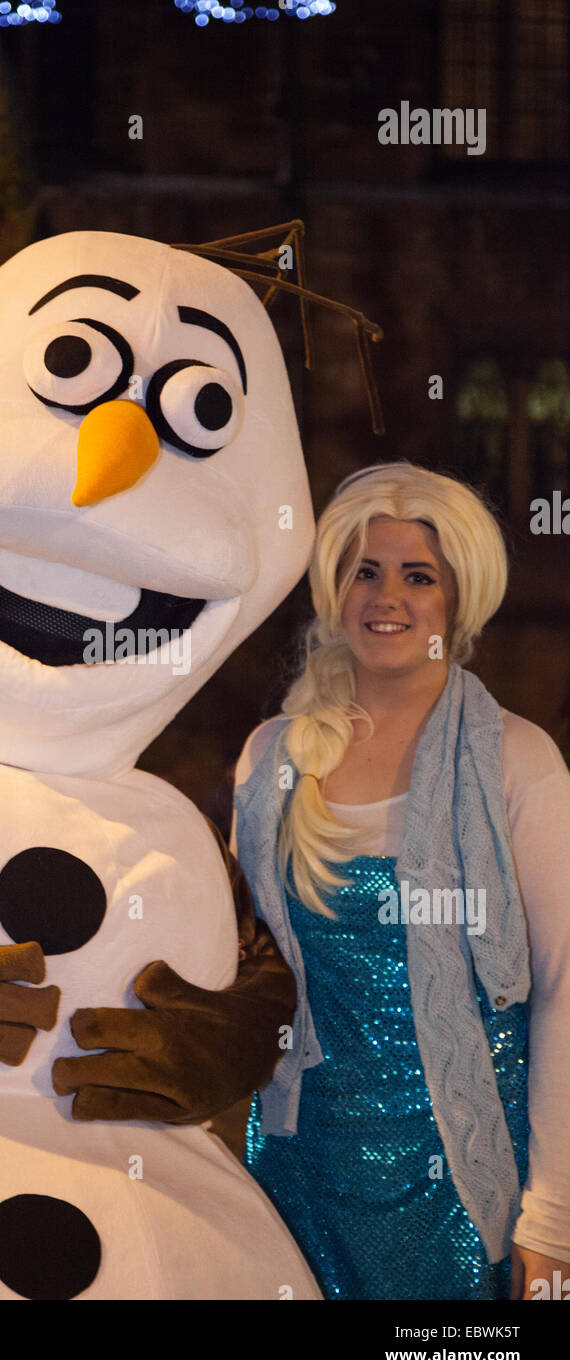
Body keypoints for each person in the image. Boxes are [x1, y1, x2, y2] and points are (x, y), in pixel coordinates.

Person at [231, 461, 570, 1300]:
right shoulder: (269, 756)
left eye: (418, 576)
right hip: (289, 1175)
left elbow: (565, 991)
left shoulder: (518, 761)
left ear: (458, 599)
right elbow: (239, 967)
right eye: (365, 572)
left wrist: (553, 1221)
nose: (388, 597)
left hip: (457, 1191)